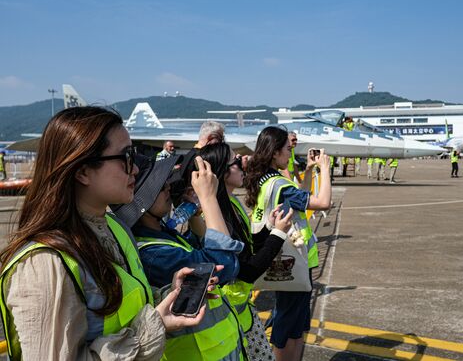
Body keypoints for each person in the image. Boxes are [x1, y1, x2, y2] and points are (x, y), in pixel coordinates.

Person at [0, 106, 204, 360]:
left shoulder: (114, 227)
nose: (135, 169)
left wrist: (166, 298)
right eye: (126, 157)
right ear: (83, 171)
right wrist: (153, 328)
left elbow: (124, 310)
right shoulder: (45, 264)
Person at [111, 153, 248, 360]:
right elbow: (225, 266)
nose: (168, 187)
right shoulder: (152, 254)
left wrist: (194, 215)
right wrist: (209, 197)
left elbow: (201, 251)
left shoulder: (164, 236)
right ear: (141, 201)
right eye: (158, 186)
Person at [244, 126, 332, 361]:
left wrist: (311, 170)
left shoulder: (267, 182)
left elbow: (300, 201)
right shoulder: (282, 186)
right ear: (275, 152)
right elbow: (323, 202)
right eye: (286, 149)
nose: (289, 153)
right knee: (287, 326)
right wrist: (325, 169)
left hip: (283, 257)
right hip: (295, 261)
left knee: (291, 323)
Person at [199, 143, 294, 361]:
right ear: (222, 172)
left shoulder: (232, 202)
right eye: (236, 162)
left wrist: (269, 228)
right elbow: (247, 270)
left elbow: (246, 246)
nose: (244, 165)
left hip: (243, 310)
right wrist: (278, 235)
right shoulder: (214, 217)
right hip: (230, 315)